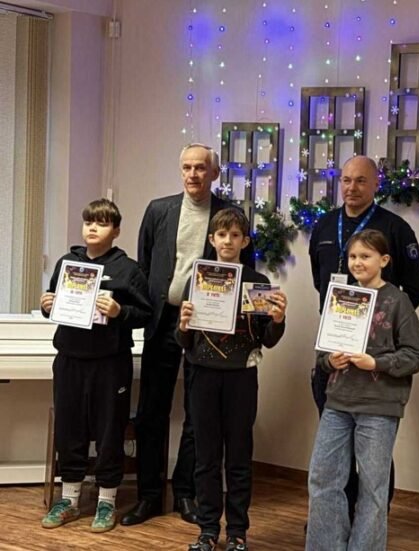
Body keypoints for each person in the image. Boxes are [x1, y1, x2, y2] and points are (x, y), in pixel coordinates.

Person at [122, 144, 255, 526]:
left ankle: (185, 492)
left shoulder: (228, 216)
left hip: (208, 327)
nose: (193, 174)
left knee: (199, 416)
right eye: (186, 167)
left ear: (214, 173)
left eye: (200, 168)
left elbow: (244, 271)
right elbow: (145, 265)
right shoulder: (158, 210)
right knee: (152, 410)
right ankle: (149, 496)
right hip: (164, 320)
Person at [308, 155, 419, 513]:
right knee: (333, 450)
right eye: (346, 180)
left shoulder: (395, 228)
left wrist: (380, 324)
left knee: (374, 456)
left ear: (376, 184)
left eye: (361, 180)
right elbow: (319, 282)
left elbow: (416, 289)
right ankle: (338, 517)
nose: (352, 187)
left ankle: (372, 520)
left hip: (376, 365)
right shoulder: (324, 226)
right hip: (335, 354)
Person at [176, 208, 287, 551]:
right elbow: (184, 340)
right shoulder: (197, 279)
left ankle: (237, 532)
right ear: (212, 239)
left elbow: (267, 339)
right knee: (206, 458)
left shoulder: (258, 282)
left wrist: (278, 320)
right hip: (202, 374)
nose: (228, 241)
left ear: (245, 241)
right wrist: (183, 325)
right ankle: (208, 530)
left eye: (235, 235)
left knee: (239, 457)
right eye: (222, 235)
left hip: (241, 377)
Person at [40, 199, 152, 532]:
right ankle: (69, 500)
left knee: (109, 431)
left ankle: (106, 501)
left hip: (110, 363)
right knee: (69, 429)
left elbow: (145, 314)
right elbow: (55, 304)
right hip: (69, 359)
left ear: (116, 231)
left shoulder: (128, 269)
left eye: (102, 223)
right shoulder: (67, 263)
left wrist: (120, 312)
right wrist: (47, 305)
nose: (93, 228)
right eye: (89, 221)